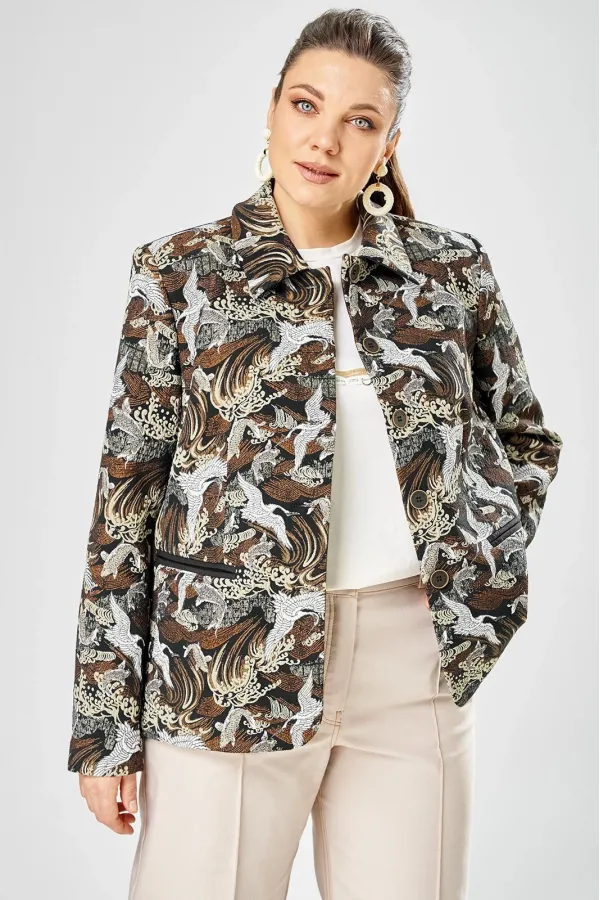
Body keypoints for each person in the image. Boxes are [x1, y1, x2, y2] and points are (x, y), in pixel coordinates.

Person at [68, 9, 563, 899]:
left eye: (359, 121)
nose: (325, 139)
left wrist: (475, 557)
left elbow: (523, 436)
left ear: (388, 145)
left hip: (412, 666)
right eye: (306, 105)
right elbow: (125, 503)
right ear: (270, 111)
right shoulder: (181, 273)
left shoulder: (449, 273)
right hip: (223, 664)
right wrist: (104, 725)